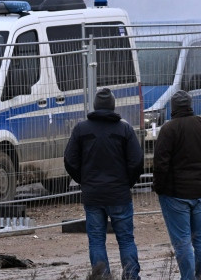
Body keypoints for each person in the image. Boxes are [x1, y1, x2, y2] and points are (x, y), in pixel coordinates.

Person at [63, 88, 144, 280]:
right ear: (113, 106)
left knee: (97, 240)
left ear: (95, 106)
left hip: (93, 195)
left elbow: (69, 160)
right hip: (119, 194)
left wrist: (84, 180)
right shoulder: (124, 129)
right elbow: (137, 161)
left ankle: (101, 277)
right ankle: (131, 276)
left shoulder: (81, 129)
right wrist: (127, 183)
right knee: (125, 239)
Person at [152, 90, 201, 280]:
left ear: (173, 108)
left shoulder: (169, 129)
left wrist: (159, 187)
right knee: (200, 240)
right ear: (190, 105)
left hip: (174, 194)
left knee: (182, 242)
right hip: (197, 193)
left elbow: (160, 163)